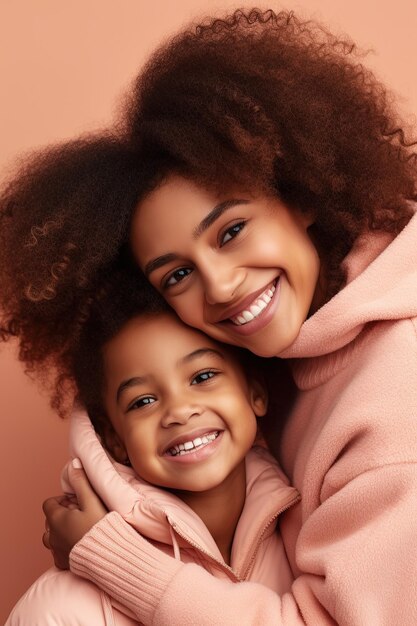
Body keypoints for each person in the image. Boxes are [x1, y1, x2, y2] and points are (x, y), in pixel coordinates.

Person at [1, 7, 416, 625]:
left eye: (232, 230)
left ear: (300, 195)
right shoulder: (283, 344)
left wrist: (114, 556)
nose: (219, 286)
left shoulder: (396, 404)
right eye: (176, 274)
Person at [6, 269, 298, 625]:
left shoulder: (306, 537)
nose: (178, 411)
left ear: (255, 391)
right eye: (142, 401)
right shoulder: (62, 610)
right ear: (114, 437)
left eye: (203, 377)